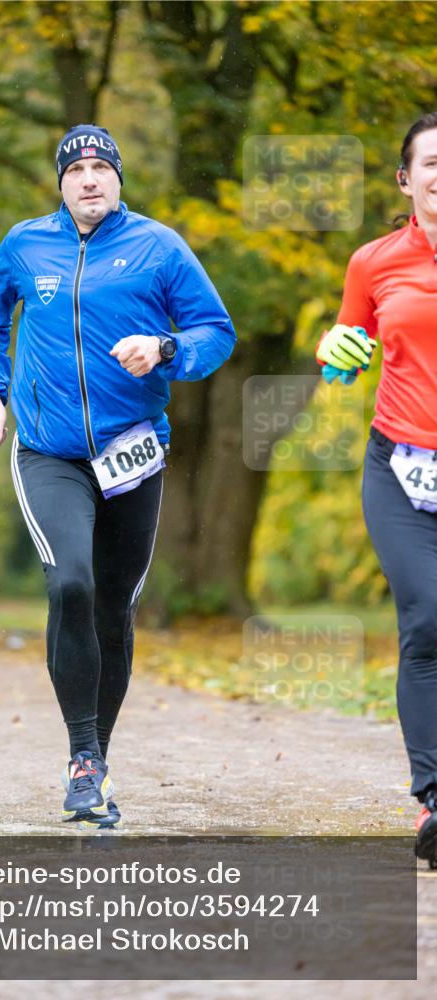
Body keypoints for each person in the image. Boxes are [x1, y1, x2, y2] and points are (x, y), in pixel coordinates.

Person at [0, 123, 236, 827]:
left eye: (100, 168)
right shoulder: (25, 244)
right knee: (71, 583)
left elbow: (216, 331)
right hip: (50, 453)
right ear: (60, 182)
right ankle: (81, 753)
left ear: (118, 179)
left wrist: (165, 347)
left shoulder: (159, 248)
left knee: (114, 606)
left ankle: (94, 764)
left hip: (133, 456)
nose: (89, 179)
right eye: (76, 168)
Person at [316, 112, 437, 867]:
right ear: (406, 179)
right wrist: (333, 350)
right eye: (431, 164)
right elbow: (342, 357)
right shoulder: (372, 261)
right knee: (427, 618)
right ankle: (435, 798)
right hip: (400, 469)